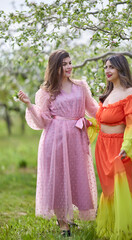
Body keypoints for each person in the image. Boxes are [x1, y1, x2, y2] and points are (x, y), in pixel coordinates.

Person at [18, 49, 99, 237]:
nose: (69, 67)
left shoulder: (81, 86)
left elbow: (94, 109)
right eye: (64, 64)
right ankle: (63, 222)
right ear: (55, 67)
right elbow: (43, 122)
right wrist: (30, 105)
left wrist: (114, 108)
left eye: (70, 62)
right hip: (55, 139)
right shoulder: (46, 92)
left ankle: (70, 216)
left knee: (76, 175)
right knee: (58, 177)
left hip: (77, 138)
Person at [95, 54, 132, 239]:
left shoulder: (130, 93)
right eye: (105, 67)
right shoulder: (107, 94)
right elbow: (99, 120)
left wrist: (128, 145)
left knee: (121, 188)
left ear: (120, 69)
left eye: (111, 67)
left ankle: (125, 231)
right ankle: (110, 229)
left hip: (119, 147)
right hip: (102, 146)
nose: (107, 71)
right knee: (108, 189)